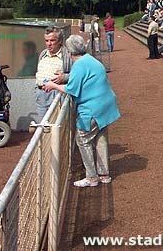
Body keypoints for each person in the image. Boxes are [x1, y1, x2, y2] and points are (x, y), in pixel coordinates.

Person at [43, 35, 120, 188]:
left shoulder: (79, 64)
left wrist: (52, 85)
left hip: (93, 108)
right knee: (100, 138)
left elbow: (71, 89)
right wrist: (64, 77)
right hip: (105, 105)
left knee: (82, 139)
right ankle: (104, 174)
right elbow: (81, 77)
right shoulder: (90, 60)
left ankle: (92, 177)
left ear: (70, 52)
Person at [35, 26, 72, 120]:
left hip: (57, 95)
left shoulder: (67, 55)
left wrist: (64, 77)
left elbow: (77, 75)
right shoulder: (43, 54)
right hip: (41, 95)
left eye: (52, 40)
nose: (49, 44)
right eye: (46, 41)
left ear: (60, 41)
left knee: (57, 126)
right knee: (43, 127)